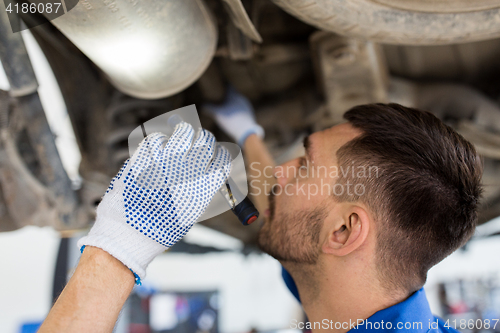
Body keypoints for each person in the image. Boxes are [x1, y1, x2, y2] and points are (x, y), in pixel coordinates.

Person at [39, 89, 483, 333]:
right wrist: (247, 132)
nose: (282, 171)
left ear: (345, 233)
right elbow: (292, 205)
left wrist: (116, 251)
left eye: (304, 163)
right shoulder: (348, 288)